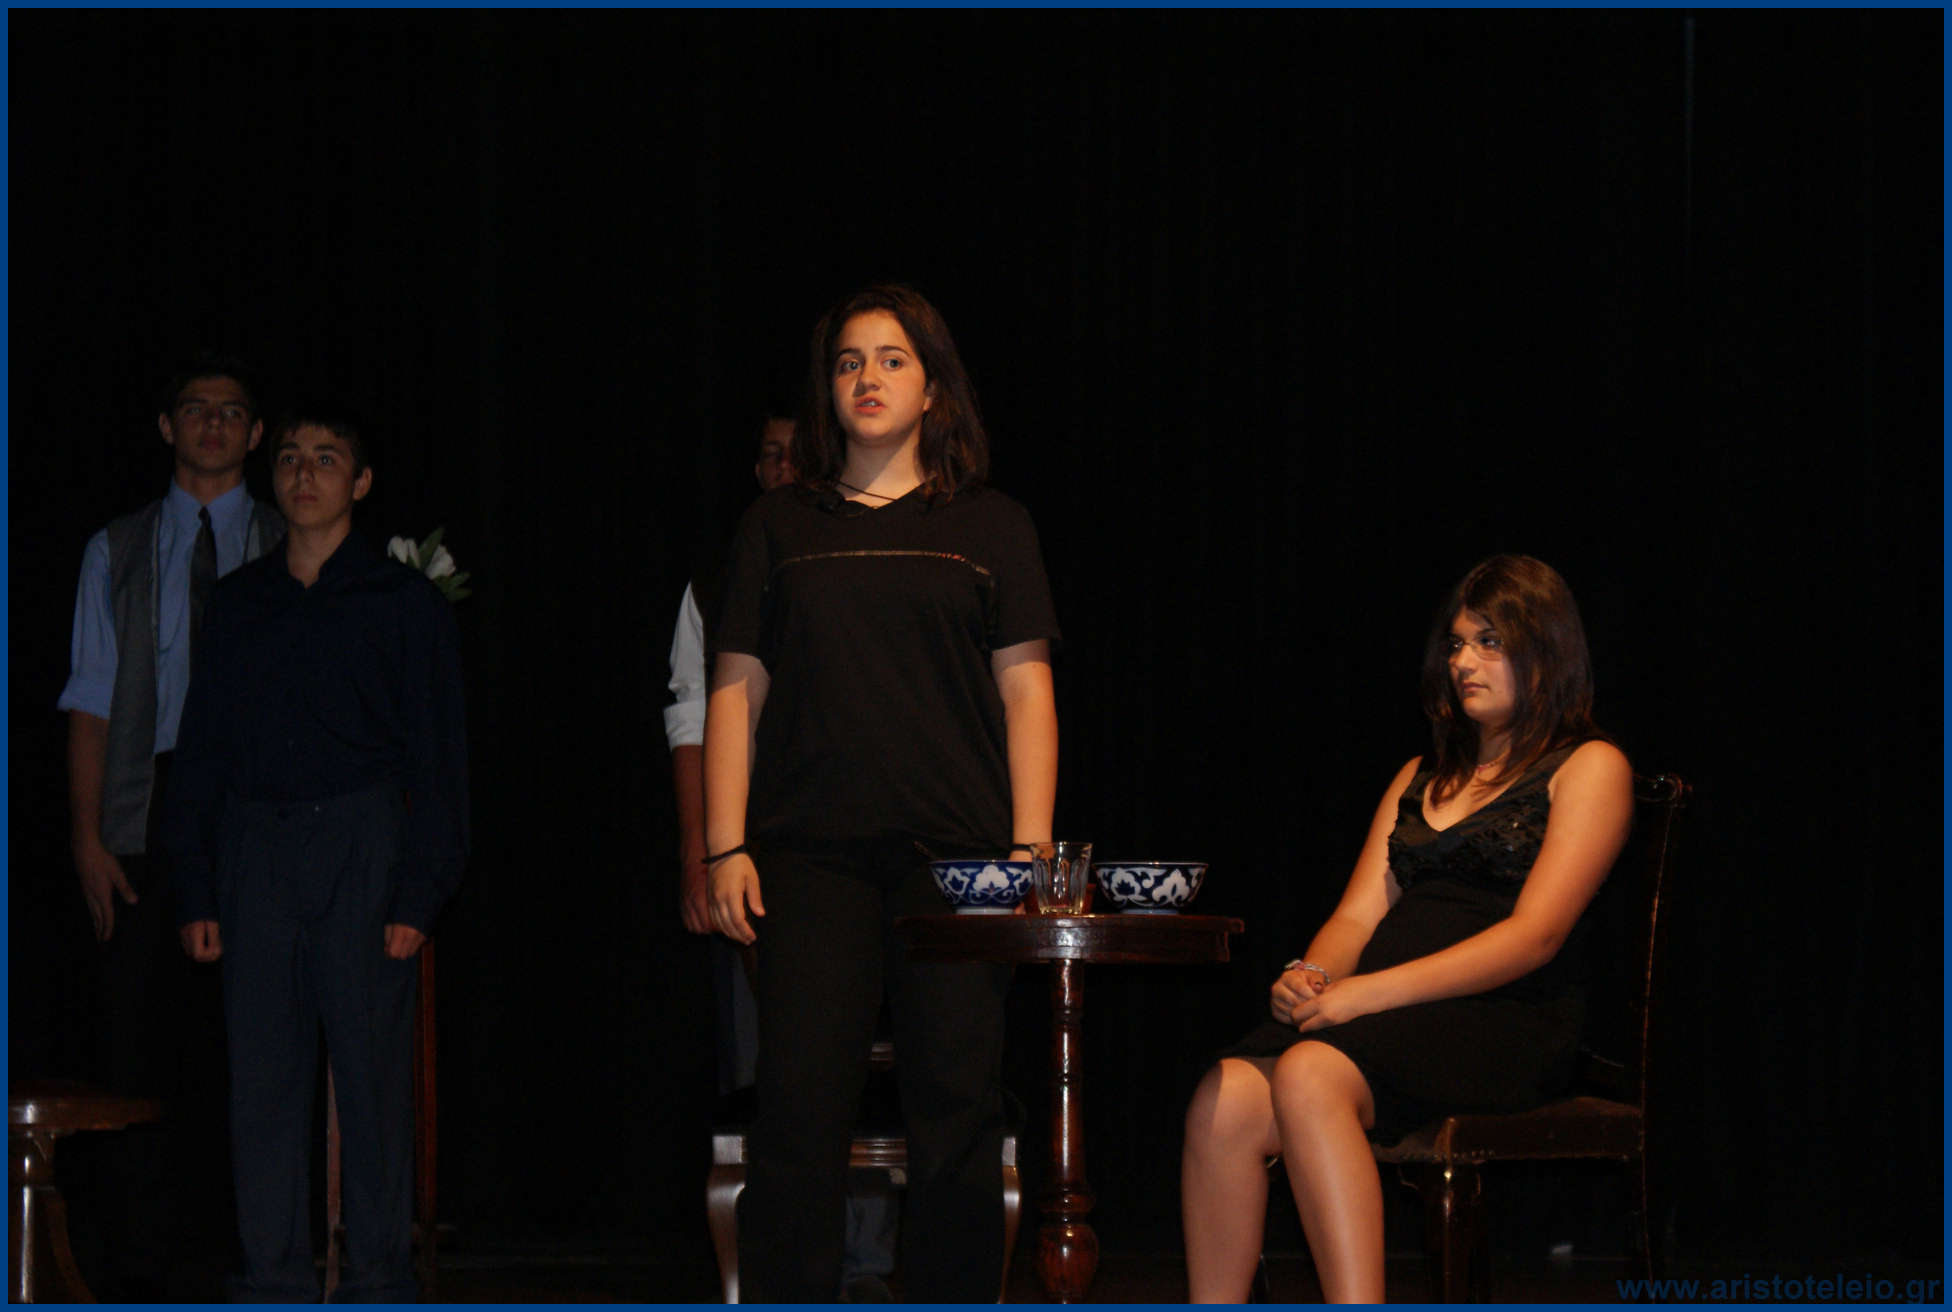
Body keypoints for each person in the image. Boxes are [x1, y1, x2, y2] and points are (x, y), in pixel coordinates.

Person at [705, 284, 1060, 1302]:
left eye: (893, 359)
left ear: (934, 388)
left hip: (960, 867)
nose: (868, 377)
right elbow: (734, 690)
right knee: (797, 1111)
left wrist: (1028, 852)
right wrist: (724, 846)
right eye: (849, 361)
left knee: (958, 1114)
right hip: (809, 858)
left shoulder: (992, 524)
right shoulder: (777, 525)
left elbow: (1027, 693)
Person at [1180, 554, 1633, 1303]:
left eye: (1489, 642)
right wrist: (1314, 977)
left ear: (1546, 649)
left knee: (1309, 1073)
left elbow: (1536, 936)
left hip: (1507, 1018)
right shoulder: (1420, 776)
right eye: (1456, 644)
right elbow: (1357, 915)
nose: (1463, 662)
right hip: (1390, 1016)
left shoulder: (1588, 765)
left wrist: (1367, 994)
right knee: (1223, 1097)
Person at [165, 406, 469, 1302]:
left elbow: (441, 764)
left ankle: (377, 1280)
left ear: (360, 483)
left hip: (361, 847)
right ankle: (272, 1281)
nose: (304, 474)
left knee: (372, 1084)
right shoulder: (240, 603)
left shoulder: (403, 605)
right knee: (262, 1083)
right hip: (256, 850)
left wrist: (418, 894)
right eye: (292, 458)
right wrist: (195, 889)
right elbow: (202, 751)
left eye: (327, 459)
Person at [56, 350, 285, 1297]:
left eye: (232, 411)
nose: (214, 424)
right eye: (196, 408)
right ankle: (139, 1272)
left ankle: (244, 1258)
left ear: (256, 433)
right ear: (166, 425)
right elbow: (91, 697)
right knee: (137, 1044)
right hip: (143, 807)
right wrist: (86, 837)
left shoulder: (287, 535)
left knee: (250, 1041)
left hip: (254, 809)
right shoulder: (115, 548)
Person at [668, 408, 903, 1301]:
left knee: (875, 1057)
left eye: (797, 455)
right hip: (754, 855)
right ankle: (780, 1275)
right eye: (767, 455)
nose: (780, 469)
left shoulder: (873, 555)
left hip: (863, 849)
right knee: (777, 1070)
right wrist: (702, 852)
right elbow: (692, 718)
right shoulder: (722, 574)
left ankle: (868, 1266)